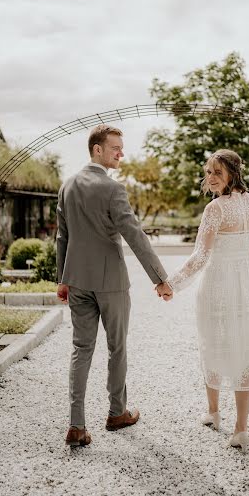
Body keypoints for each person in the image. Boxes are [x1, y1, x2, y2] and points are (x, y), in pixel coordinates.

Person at [57, 125, 173, 447]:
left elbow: (62, 237)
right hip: (111, 283)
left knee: (81, 349)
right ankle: (116, 413)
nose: (121, 153)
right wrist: (160, 279)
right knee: (116, 347)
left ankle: (76, 426)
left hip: (77, 281)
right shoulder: (112, 189)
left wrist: (62, 279)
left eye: (121, 148)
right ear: (97, 150)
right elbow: (135, 234)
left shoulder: (66, 187)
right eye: (115, 149)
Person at [164, 149, 249, 453]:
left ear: (233, 173)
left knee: (215, 343)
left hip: (219, 284)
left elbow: (201, 256)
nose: (210, 178)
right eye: (208, 172)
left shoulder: (215, 209)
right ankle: (233, 423)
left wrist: (172, 283)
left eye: (217, 172)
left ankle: (219, 415)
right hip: (246, 285)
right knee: (241, 347)